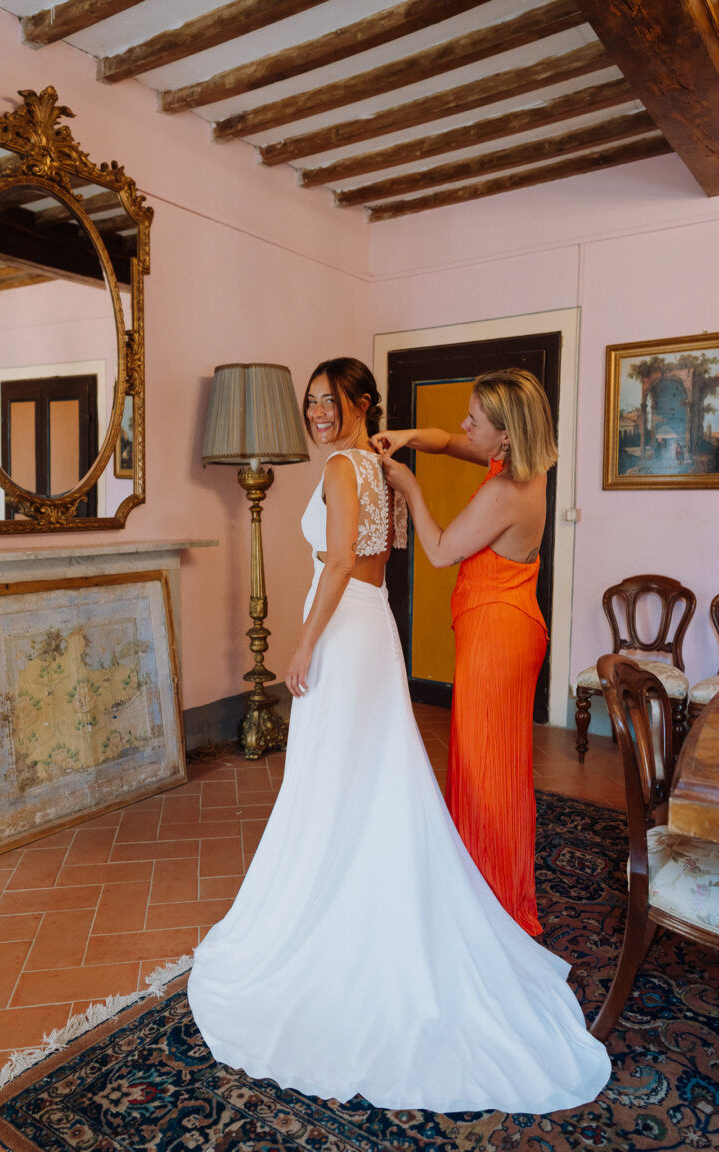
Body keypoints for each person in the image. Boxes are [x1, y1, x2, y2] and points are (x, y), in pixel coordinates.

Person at [187, 358, 610, 1113]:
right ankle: (469, 890)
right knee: (380, 771)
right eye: (309, 401)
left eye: (327, 400)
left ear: (357, 404)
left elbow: (359, 559)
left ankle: (449, 900)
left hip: (372, 626)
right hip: (374, 622)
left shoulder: (370, 472)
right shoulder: (445, 465)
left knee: (398, 774)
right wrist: (416, 441)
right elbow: (403, 523)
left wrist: (303, 644)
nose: (316, 412)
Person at [372, 368, 556, 937]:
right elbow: (451, 443)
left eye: (474, 419)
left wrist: (409, 486)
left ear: (504, 435)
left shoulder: (506, 491)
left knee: (485, 771)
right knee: (497, 765)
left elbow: (440, 549)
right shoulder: (521, 464)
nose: (462, 426)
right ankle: (493, 885)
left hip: (497, 640)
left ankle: (491, 903)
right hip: (508, 627)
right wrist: (407, 437)